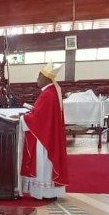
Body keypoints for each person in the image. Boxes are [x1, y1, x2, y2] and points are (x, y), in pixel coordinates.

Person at [20, 63, 68, 200]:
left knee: (44, 163)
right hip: (48, 133)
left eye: (39, 76)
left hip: (44, 136)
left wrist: (24, 117)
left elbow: (39, 118)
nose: (37, 79)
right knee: (46, 164)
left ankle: (45, 193)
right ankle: (49, 192)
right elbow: (42, 114)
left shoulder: (48, 94)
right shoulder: (52, 92)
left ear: (46, 78)